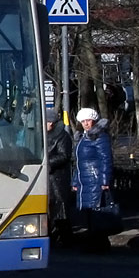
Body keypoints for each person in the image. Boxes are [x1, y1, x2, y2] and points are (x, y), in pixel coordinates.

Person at [72, 107, 113, 252]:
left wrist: (104, 180)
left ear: (94, 120)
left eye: (88, 120)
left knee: (97, 212)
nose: (86, 123)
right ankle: (95, 241)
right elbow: (78, 162)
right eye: (83, 121)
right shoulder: (83, 137)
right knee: (90, 212)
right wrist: (75, 181)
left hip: (94, 179)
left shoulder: (100, 137)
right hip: (85, 180)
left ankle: (99, 243)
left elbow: (106, 159)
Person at [46, 108, 74, 245]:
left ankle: (65, 237)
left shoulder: (62, 136)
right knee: (52, 208)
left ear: (51, 123)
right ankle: (56, 235)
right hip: (49, 177)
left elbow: (64, 156)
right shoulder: (45, 135)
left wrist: (47, 163)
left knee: (60, 208)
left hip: (58, 178)